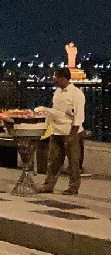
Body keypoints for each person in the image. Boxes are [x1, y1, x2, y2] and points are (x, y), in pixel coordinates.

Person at [38, 67, 85, 195]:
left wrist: (73, 134)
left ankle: (73, 187)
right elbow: (56, 110)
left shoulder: (76, 94)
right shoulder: (57, 92)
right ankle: (48, 185)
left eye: (56, 77)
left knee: (73, 161)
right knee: (53, 160)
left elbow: (79, 115)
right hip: (57, 130)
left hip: (70, 131)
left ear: (63, 79)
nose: (54, 80)